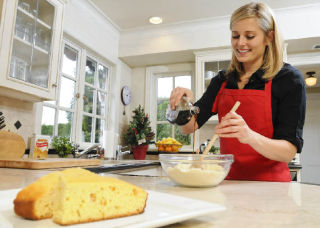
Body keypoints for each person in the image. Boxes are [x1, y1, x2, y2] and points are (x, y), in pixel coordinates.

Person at [169, 2, 306, 182]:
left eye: (249, 36)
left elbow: (288, 152)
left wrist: (248, 136)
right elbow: (189, 127)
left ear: (269, 37)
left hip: (272, 186)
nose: (240, 43)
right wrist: (184, 104)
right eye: (235, 36)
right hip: (229, 183)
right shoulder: (223, 81)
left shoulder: (289, 79)